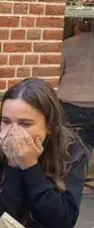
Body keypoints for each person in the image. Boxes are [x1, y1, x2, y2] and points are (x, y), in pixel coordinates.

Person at [0, 78, 89, 228]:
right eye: (6, 122)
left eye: (25, 124)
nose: (13, 132)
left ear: (49, 126)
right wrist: (12, 164)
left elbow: (61, 223)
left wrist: (30, 166)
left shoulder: (72, 150)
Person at [58, 18, 94, 153]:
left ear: (77, 25)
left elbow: (57, 74)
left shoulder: (67, 45)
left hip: (69, 105)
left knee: (70, 150)